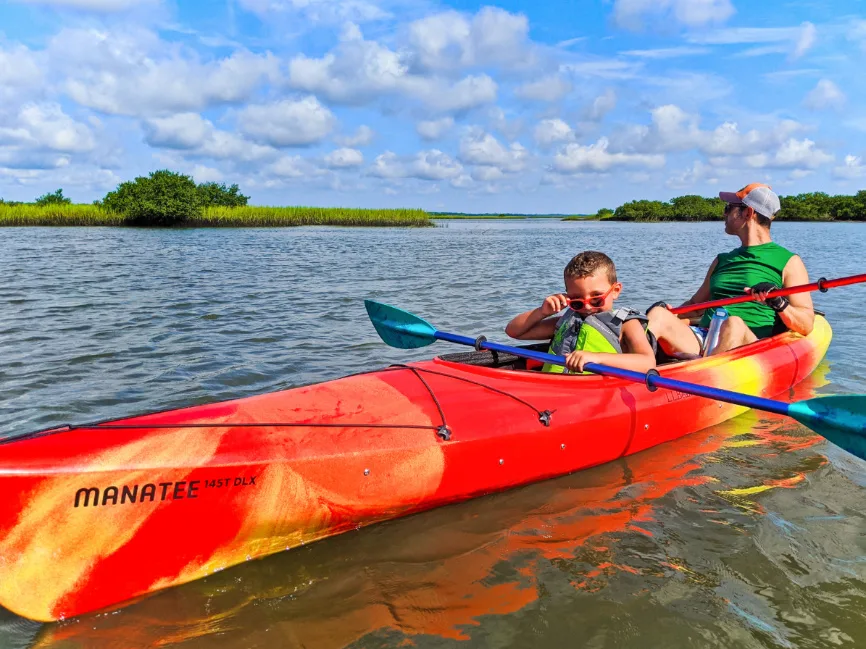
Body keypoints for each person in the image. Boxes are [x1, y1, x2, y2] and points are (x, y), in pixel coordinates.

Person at [647, 183, 815, 358]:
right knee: (658, 315)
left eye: (729, 208)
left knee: (733, 324)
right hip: (704, 336)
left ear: (748, 213)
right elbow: (695, 307)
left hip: (750, 344)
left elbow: (806, 323)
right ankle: (627, 372)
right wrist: (671, 313)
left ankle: (707, 374)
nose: (724, 214)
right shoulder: (722, 260)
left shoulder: (788, 261)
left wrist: (778, 303)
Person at [505, 251, 656, 374]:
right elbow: (514, 332)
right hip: (552, 390)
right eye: (577, 302)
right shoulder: (564, 323)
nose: (588, 308)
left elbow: (648, 363)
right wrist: (542, 312)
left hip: (596, 395)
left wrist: (597, 358)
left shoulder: (626, 324)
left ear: (615, 291)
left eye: (596, 299)